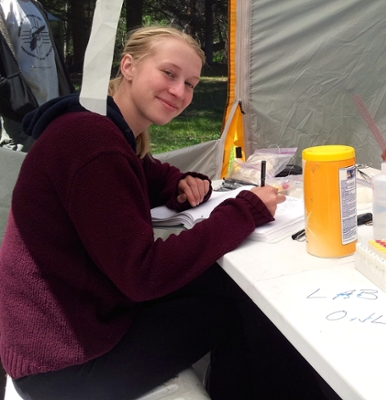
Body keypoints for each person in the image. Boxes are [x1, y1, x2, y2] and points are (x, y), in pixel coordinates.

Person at [0, 26, 332, 400]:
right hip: (67, 368)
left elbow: (146, 173)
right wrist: (245, 211)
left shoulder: (100, 126)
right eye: (169, 74)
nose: (180, 92)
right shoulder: (92, 143)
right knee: (247, 309)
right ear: (128, 66)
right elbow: (144, 274)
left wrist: (182, 183)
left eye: (190, 83)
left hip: (82, 325)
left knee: (234, 291)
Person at [0, 0, 73, 152]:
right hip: (19, 119)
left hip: (50, 114)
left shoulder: (36, 6)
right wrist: (13, 98)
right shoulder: (4, 6)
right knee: (15, 174)